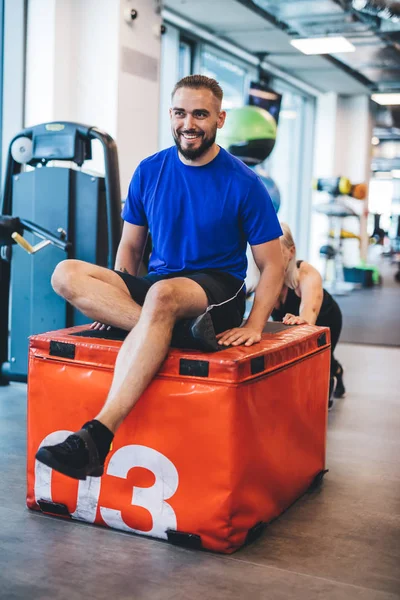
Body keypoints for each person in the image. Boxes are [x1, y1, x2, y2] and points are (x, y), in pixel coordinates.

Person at [35, 75, 285, 480]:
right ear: (171, 115)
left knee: (163, 295)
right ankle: (179, 334)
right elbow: (131, 249)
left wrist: (255, 324)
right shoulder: (150, 170)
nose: (190, 123)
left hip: (217, 288)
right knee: (65, 273)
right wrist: (113, 305)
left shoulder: (244, 182)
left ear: (220, 118)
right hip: (159, 287)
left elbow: (272, 263)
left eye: (201, 114)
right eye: (181, 112)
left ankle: (97, 435)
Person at [270, 223, 345, 408]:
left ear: (291, 251)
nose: (271, 260)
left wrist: (302, 320)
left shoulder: (307, 274)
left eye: (277, 253)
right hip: (293, 323)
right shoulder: (265, 274)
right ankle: (337, 368)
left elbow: (308, 314)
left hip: (325, 318)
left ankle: (332, 373)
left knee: (322, 363)